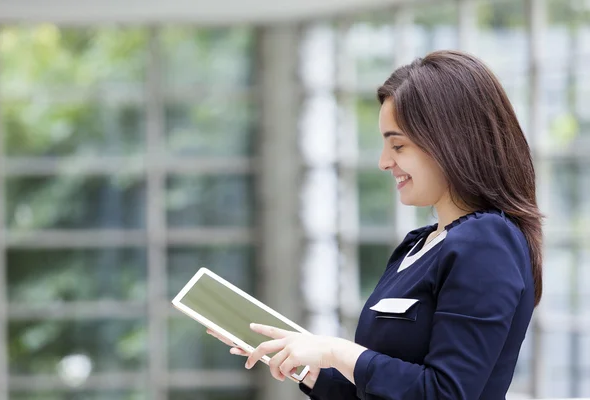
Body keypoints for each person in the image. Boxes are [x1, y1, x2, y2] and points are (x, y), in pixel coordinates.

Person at [207, 50, 543, 399]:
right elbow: (378, 390)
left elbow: (446, 393)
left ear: (451, 141)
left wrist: (337, 351)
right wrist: (300, 361)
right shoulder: (418, 246)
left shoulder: (485, 241)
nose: (384, 162)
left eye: (398, 145)